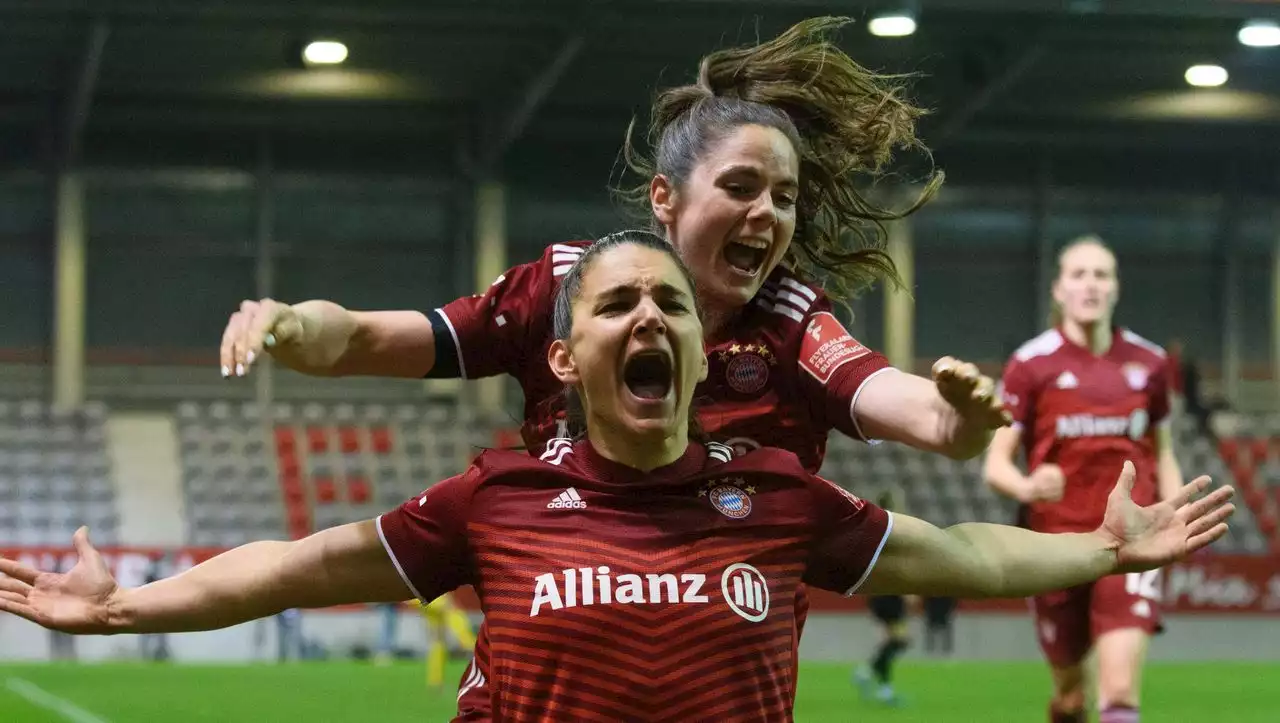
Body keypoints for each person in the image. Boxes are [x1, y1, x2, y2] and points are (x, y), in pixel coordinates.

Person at [0, 234, 1234, 721]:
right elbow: (291, 569)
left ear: (704, 350)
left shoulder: (780, 496)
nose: (649, 317)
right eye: (616, 304)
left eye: (672, 305)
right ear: (562, 351)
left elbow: (964, 555)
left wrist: (1109, 548)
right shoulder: (495, 495)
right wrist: (116, 608)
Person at [216, 19, 1010, 716]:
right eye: (739, 187)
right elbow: (356, 338)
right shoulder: (567, 292)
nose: (767, 214)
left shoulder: (793, 325)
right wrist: (287, 324)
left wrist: (960, 416)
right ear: (665, 198)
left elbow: (913, 408)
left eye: (785, 196)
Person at [983, 235, 1188, 723]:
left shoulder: (1151, 364)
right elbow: (996, 465)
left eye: (1102, 275)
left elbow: (1164, 451)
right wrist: (1027, 488)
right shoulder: (1030, 364)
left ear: (1116, 288)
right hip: (1057, 546)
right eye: (1079, 274)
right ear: (1059, 289)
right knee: (1072, 697)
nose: (1091, 285)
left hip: (1133, 542)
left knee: (1118, 690)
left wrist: (1176, 510)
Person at [853, 491, 915, 706]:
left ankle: (880, 684)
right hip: (890, 594)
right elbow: (900, 566)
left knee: (891, 641)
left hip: (878, 593)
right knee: (899, 641)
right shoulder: (895, 529)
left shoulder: (874, 528)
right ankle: (871, 676)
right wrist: (908, 591)